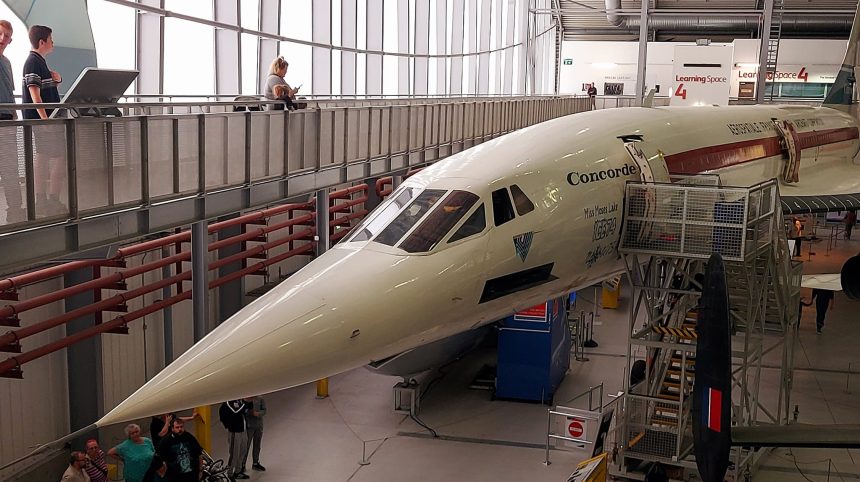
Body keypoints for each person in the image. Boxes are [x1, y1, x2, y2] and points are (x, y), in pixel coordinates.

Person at [22, 24, 64, 215]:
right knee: (50, 157)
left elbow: (44, 91)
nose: (52, 43)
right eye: (50, 40)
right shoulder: (33, 62)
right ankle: (45, 199)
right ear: (42, 42)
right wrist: (45, 120)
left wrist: (56, 81)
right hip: (43, 122)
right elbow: (35, 96)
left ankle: (47, 199)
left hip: (46, 120)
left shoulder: (39, 62)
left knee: (47, 157)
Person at [0, 19, 23, 223]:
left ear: (10, 40)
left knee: (10, 167)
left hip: (7, 119)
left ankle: (15, 209)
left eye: (6, 36)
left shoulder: (6, 63)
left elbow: (9, 90)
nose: (2, 38)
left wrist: (15, 114)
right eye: (0, 34)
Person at [157, 418, 203, 482]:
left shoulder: (189, 437)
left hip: (192, 474)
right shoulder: (165, 441)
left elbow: (199, 454)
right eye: (177, 427)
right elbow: (160, 459)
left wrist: (200, 470)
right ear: (172, 428)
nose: (180, 429)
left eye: (181, 427)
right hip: (175, 476)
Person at [219, 399, 250, 479]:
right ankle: (229, 473)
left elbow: (249, 406)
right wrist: (245, 403)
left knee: (243, 451)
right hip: (235, 432)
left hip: (243, 430)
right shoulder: (228, 403)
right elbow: (236, 411)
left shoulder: (240, 401)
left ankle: (238, 471)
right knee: (234, 454)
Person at [242, 395, 267, 472]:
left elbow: (264, 410)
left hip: (259, 425)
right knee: (246, 446)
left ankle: (255, 463)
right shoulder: (244, 400)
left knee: (257, 445)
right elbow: (243, 411)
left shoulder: (260, 399)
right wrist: (250, 412)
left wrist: (258, 414)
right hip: (249, 426)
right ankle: (242, 464)